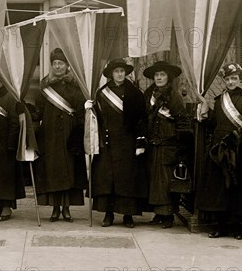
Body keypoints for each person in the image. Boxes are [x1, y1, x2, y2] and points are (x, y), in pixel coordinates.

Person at [198, 63, 242, 239]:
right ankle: (220, 226)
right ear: (224, 80)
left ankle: (236, 227)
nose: (231, 82)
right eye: (228, 79)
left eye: (234, 78)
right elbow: (214, 124)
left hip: (238, 148)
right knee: (219, 189)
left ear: (240, 79)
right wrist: (205, 113)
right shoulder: (218, 100)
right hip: (219, 150)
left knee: (237, 188)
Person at [91, 58, 148, 228]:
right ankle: (108, 215)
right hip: (108, 143)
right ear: (111, 74)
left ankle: (128, 216)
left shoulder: (135, 93)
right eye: (116, 71)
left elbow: (141, 120)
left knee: (127, 180)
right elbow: (97, 120)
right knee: (108, 180)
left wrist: (140, 142)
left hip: (128, 143)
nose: (120, 74)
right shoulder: (101, 93)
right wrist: (90, 109)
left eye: (122, 71)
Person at [34, 48, 87, 222]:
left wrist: (80, 132)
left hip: (69, 132)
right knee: (53, 170)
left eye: (60, 63)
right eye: (54, 64)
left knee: (69, 169)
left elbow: (80, 109)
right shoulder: (44, 85)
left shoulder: (75, 85)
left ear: (67, 66)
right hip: (49, 135)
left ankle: (66, 208)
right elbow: (39, 110)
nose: (57, 67)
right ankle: (55, 209)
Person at [143, 61, 191, 229]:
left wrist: (180, 147)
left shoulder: (174, 97)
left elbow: (182, 122)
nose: (159, 78)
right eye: (157, 75)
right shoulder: (149, 95)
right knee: (154, 181)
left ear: (168, 77)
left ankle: (168, 216)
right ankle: (158, 214)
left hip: (168, 146)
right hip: (152, 146)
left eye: (162, 75)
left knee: (166, 182)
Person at [0, 76, 25, 221]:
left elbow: (14, 123)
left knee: (5, 176)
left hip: (5, 141)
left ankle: (6, 207)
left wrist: (10, 144)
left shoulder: (10, 98)